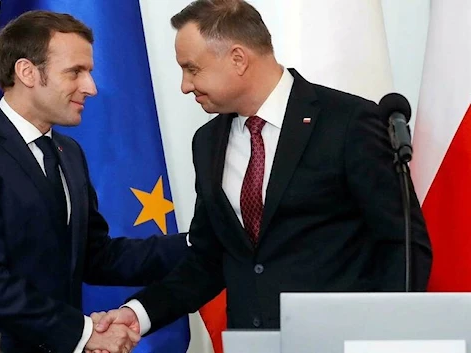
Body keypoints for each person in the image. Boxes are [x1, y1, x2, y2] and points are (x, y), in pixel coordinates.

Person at [94, 0, 432, 338]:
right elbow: (209, 258)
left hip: (342, 340)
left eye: (192, 68)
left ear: (238, 59)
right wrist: (138, 313)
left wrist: (382, 334)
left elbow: (402, 242)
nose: (185, 85)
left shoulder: (347, 122)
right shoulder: (208, 142)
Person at [0, 10, 188, 353]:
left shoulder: (68, 153)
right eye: (75, 72)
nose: (91, 88)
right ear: (27, 72)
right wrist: (83, 332)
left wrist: (196, 242)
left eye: (89, 72)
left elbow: (97, 256)